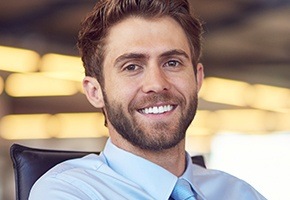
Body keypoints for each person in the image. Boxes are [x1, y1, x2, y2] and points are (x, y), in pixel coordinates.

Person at [29, 0, 266, 199]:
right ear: (95, 91)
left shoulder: (239, 193)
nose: (156, 83)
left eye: (172, 63)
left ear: (197, 78)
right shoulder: (67, 192)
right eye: (132, 66)